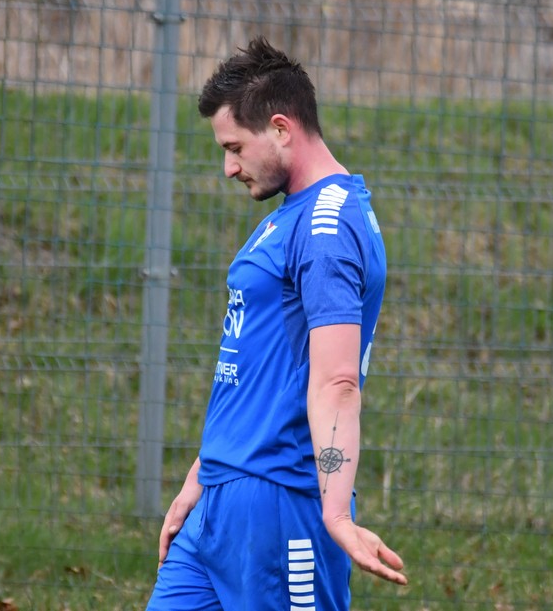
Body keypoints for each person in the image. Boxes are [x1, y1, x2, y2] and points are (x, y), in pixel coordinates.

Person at [143, 36, 407, 611]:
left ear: (281, 129)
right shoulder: (291, 217)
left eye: (235, 147)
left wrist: (335, 514)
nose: (228, 167)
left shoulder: (326, 230)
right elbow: (257, 368)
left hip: (282, 507)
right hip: (221, 502)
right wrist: (202, 477)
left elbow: (337, 382)